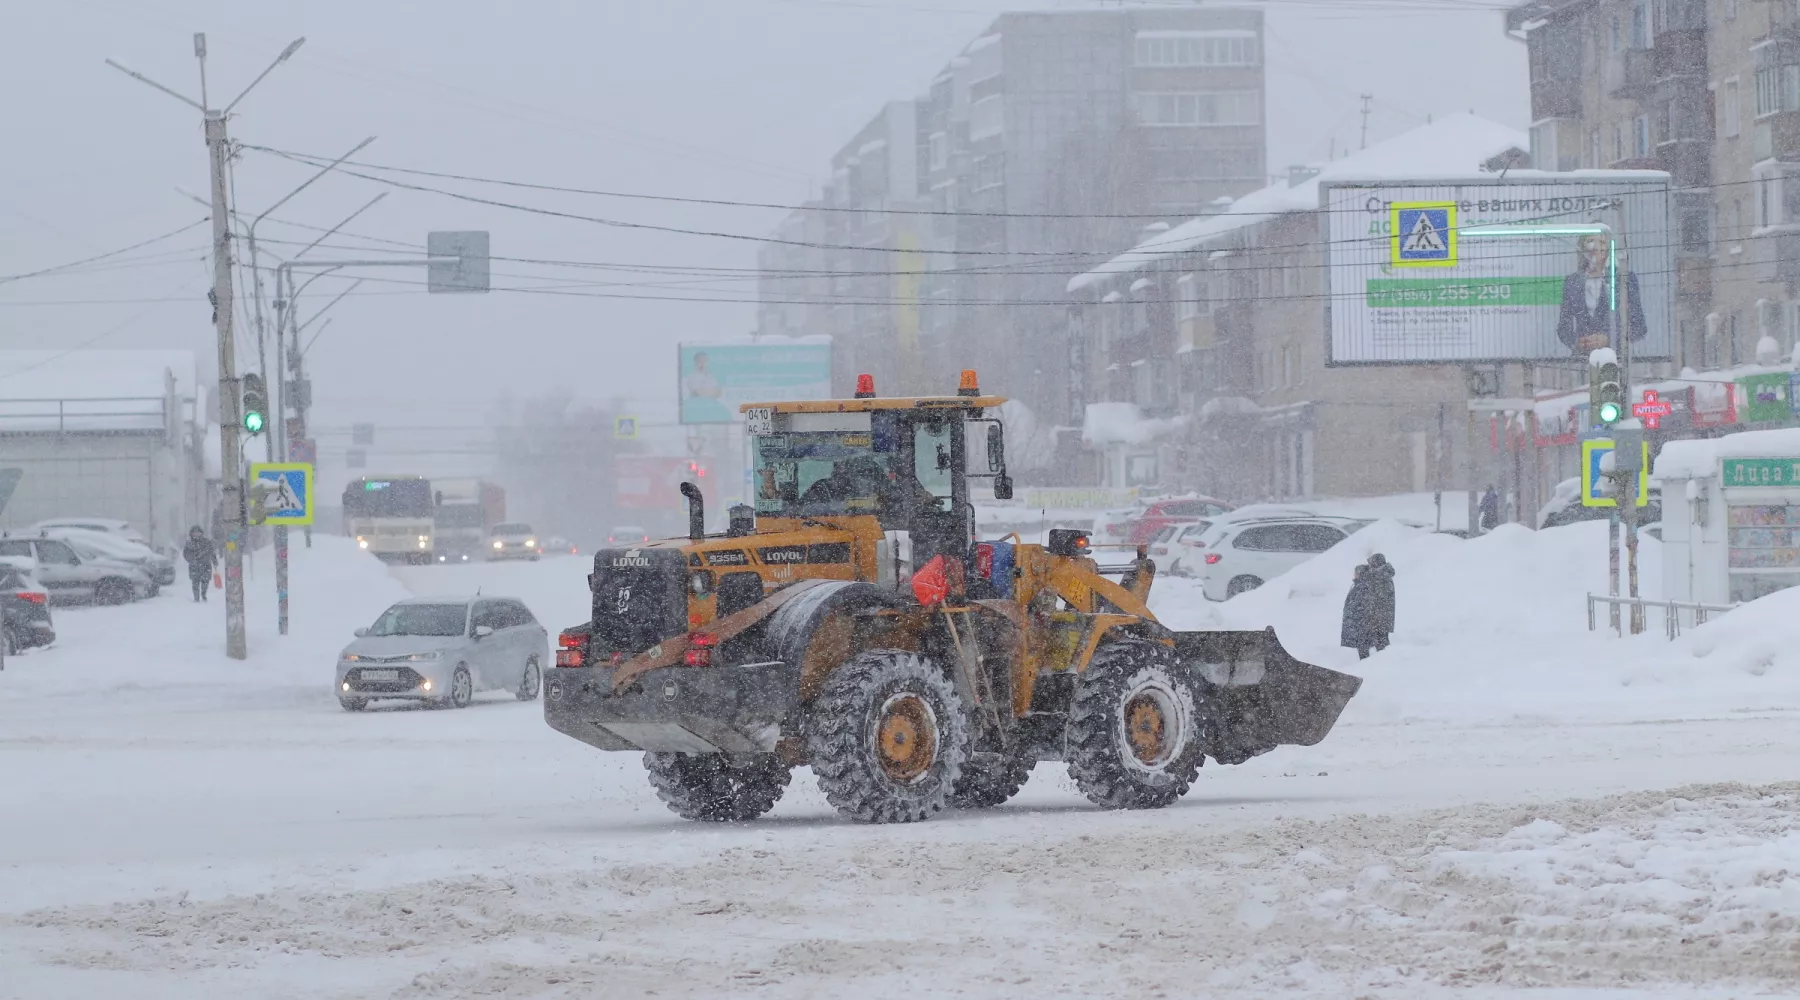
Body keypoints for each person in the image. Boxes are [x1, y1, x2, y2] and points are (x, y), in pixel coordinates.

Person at [1556, 233, 1647, 357]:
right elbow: (1563, 328)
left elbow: (1639, 327)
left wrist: (1609, 339)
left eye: (1602, 243)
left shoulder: (1624, 279)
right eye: (1590, 241)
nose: (1595, 247)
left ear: (1610, 249)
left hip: (1616, 358)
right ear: (1582, 247)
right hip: (1582, 361)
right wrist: (1578, 342)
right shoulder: (1572, 282)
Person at [1340, 564, 1376, 660]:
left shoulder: (1362, 586)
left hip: (1360, 622)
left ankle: (1365, 665)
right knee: (1362, 646)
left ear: (1360, 573)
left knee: (1363, 646)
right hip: (1359, 622)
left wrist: (1353, 614)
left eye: (1356, 573)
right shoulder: (1360, 584)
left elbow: (1360, 604)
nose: (1354, 575)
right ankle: (1365, 664)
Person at [1366, 552, 1396, 652]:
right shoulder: (1382, 575)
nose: (1370, 567)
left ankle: (1385, 661)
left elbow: (1380, 597)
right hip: (1381, 616)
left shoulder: (1382, 576)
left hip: (1380, 617)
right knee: (1381, 641)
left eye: (1372, 564)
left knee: (1381, 642)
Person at [182, 526, 216, 603]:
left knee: (205, 582)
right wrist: (192, 560)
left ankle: (204, 595)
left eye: (198, 532)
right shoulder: (189, 543)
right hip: (194, 567)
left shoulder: (206, 542)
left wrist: (215, 562)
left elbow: (212, 552)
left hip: (206, 566)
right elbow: (186, 554)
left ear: (201, 533)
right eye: (194, 532)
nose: (196, 534)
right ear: (191, 534)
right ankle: (196, 598)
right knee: (195, 583)